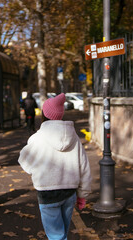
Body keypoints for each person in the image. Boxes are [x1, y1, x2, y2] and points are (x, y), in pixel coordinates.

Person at [18, 93, 92, 240]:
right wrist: (83, 194)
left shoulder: (37, 138)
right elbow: (84, 167)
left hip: (47, 192)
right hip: (70, 191)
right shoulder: (74, 137)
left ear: (44, 115)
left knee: (56, 236)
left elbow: (24, 160)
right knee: (63, 232)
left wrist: (35, 171)